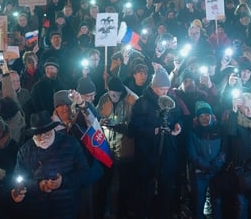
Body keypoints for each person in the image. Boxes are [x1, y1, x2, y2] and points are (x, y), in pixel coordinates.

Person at [129, 67, 183, 219]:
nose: (164, 93)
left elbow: (178, 117)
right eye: (161, 89)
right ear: (153, 87)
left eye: (167, 89)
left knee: (166, 194)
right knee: (146, 194)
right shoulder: (142, 103)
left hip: (168, 155)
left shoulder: (171, 100)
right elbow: (133, 128)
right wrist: (152, 131)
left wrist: (178, 126)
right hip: (148, 156)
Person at [13, 110, 89, 219]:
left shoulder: (70, 144)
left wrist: (63, 181)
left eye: (46, 133)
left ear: (52, 129)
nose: (43, 137)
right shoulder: (25, 151)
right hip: (37, 211)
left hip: (66, 209)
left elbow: (85, 174)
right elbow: (19, 180)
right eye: (39, 134)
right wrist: (39, 185)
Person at [96, 76, 137, 219]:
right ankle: (104, 212)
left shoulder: (132, 100)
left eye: (117, 95)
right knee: (105, 183)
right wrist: (100, 121)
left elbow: (137, 126)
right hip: (107, 149)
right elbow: (97, 116)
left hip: (125, 149)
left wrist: (122, 127)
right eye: (112, 94)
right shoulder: (104, 99)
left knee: (125, 185)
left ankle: (123, 212)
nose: (114, 97)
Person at [186, 101, 225, 219]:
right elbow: (192, 154)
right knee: (198, 201)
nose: (204, 118)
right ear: (197, 118)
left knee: (217, 201)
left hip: (217, 172)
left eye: (207, 115)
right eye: (201, 116)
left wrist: (218, 163)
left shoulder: (219, 129)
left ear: (212, 115)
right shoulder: (192, 132)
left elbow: (224, 149)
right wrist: (206, 166)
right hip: (199, 172)